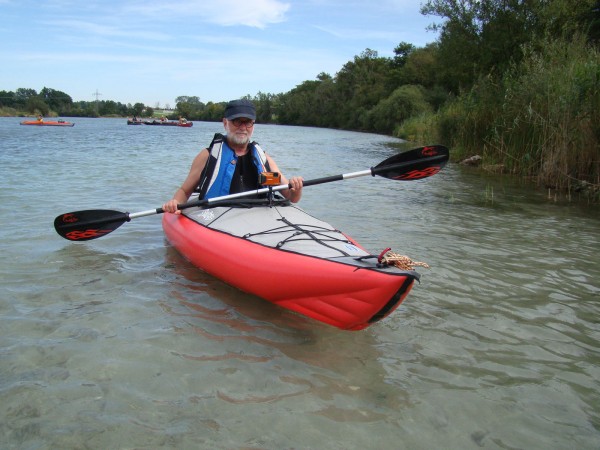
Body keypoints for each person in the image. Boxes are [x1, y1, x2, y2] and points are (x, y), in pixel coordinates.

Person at [162, 99, 303, 214]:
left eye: (248, 122)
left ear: (253, 125)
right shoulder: (208, 156)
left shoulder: (263, 159)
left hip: (258, 217)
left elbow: (290, 196)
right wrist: (176, 203)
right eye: (237, 121)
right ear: (225, 123)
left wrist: (296, 188)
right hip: (218, 217)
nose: (243, 127)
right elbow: (184, 191)